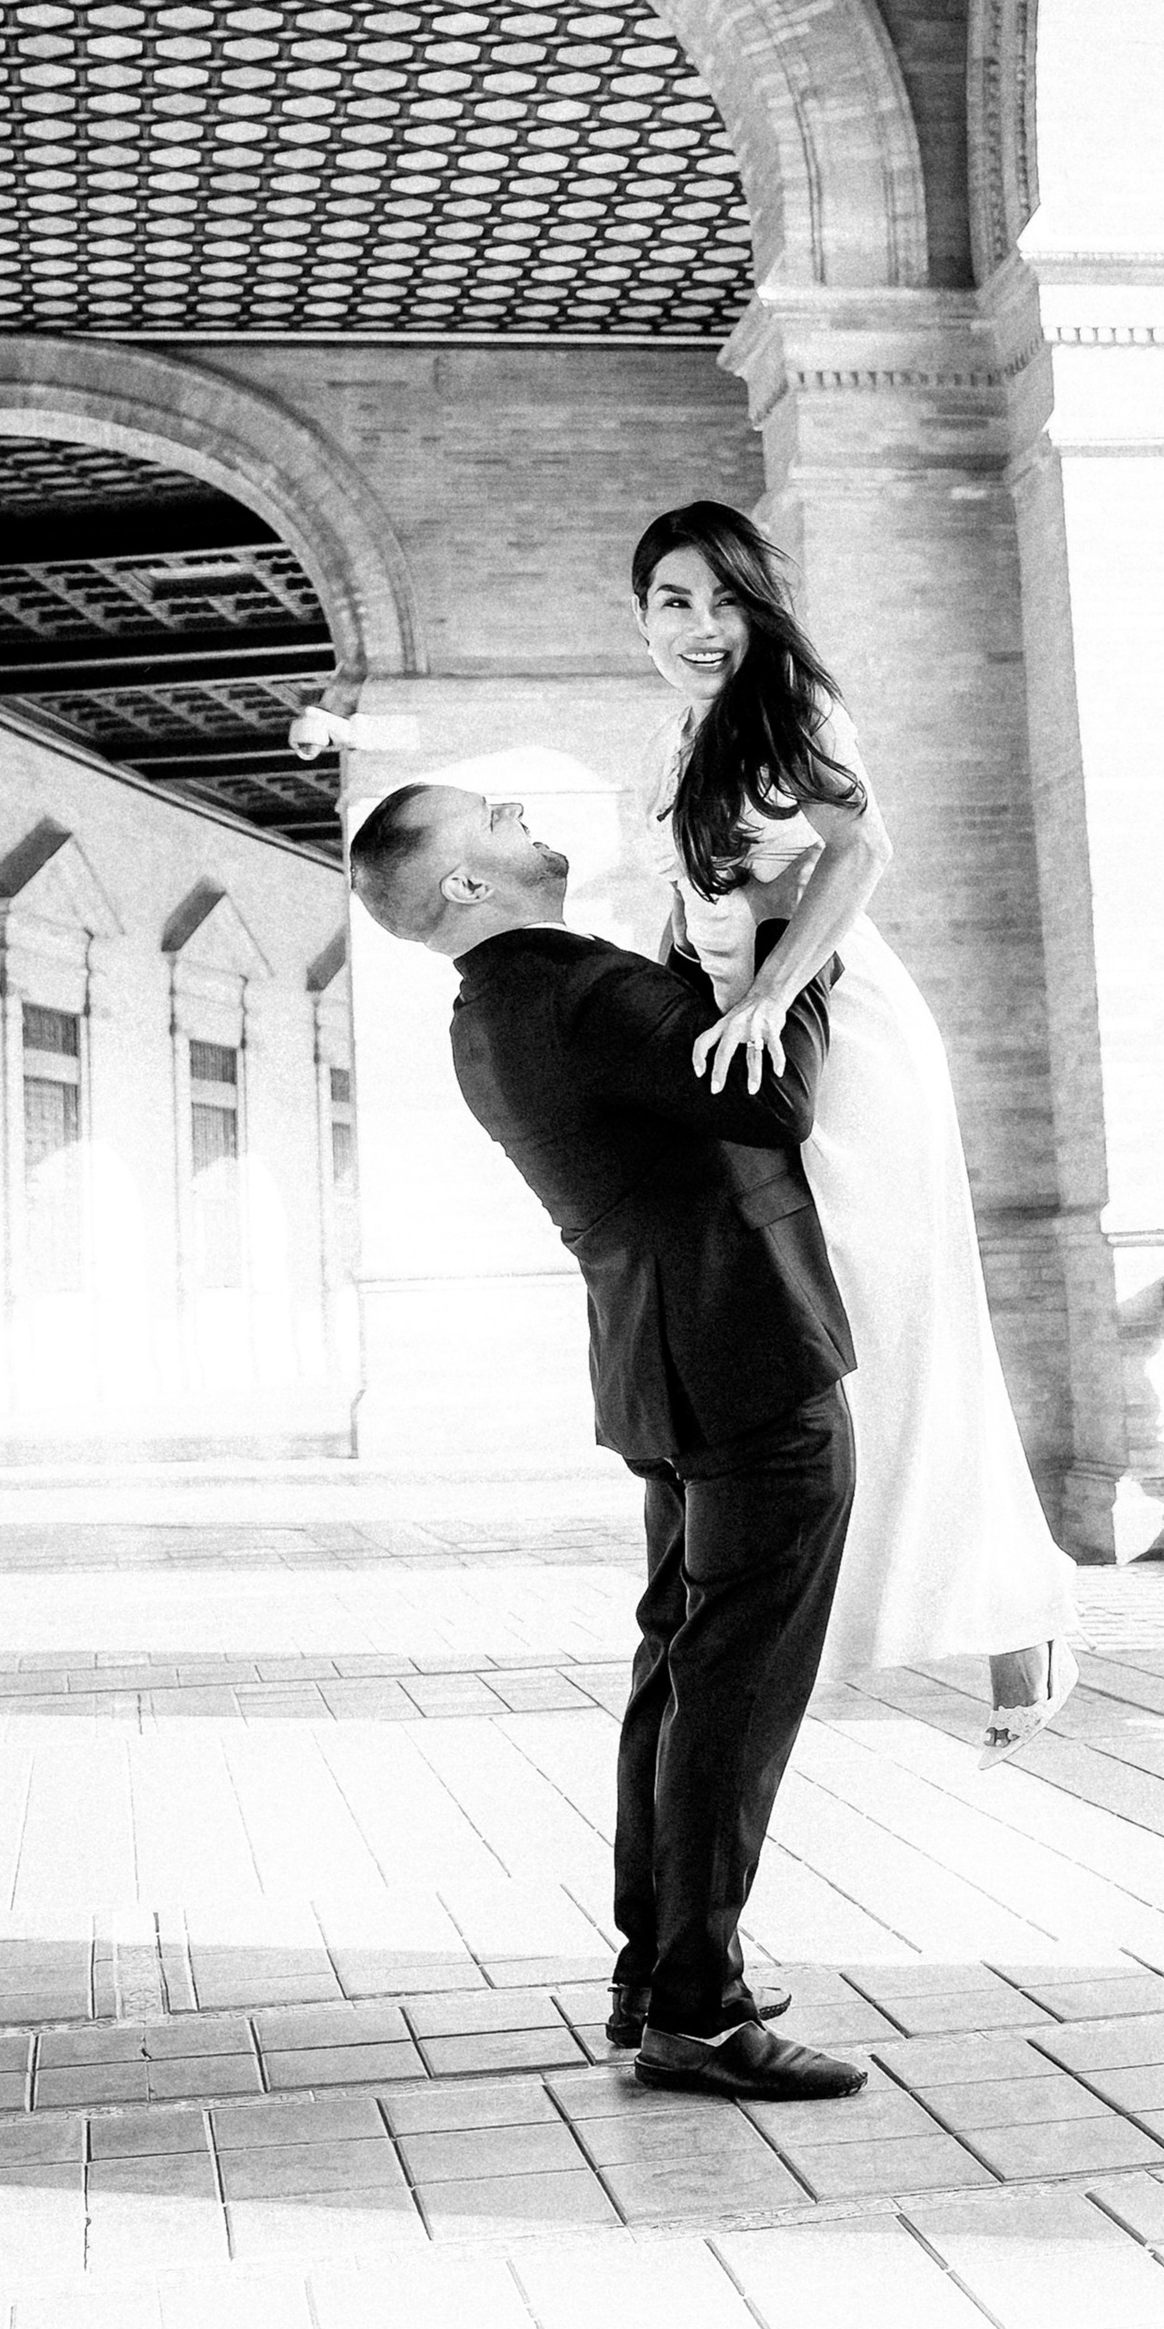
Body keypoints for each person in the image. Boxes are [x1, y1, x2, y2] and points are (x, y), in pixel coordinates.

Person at [347, 777, 868, 2102]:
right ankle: (697, 2005)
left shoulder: (494, 1011)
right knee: (731, 1686)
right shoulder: (569, 988)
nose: (522, 810)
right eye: (493, 817)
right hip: (746, 1355)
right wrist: (786, 940)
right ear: (463, 884)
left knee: (681, 1670)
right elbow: (777, 1093)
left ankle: (658, 1969)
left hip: (667, 1358)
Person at [633, 499, 1079, 1756]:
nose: (702, 625)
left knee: (901, 1325)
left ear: (755, 606)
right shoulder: (674, 738)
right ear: (643, 619)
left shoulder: (788, 702)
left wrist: (771, 990)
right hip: (754, 1043)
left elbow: (860, 845)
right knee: (819, 1343)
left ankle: (1019, 1611)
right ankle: (838, 1614)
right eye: (674, 601)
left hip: (845, 1036)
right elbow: (689, 905)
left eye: (724, 597)